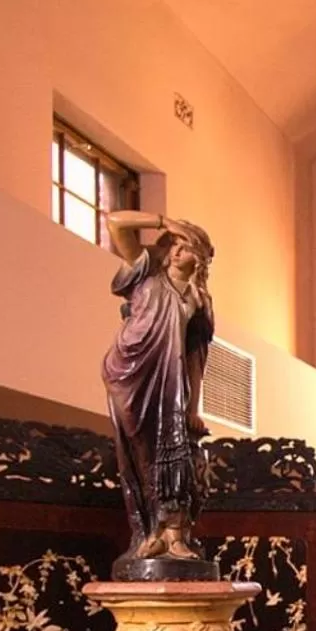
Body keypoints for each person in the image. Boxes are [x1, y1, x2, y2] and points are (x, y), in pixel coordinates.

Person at [102, 210, 216, 572]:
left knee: (176, 451)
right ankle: (148, 530)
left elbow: (196, 357)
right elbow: (115, 222)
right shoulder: (146, 273)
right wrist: (164, 222)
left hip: (171, 378)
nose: (179, 251)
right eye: (176, 245)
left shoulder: (198, 299)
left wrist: (193, 407)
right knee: (138, 453)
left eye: (188, 246)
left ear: (201, 257)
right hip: (129, 371)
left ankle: (174, 535)